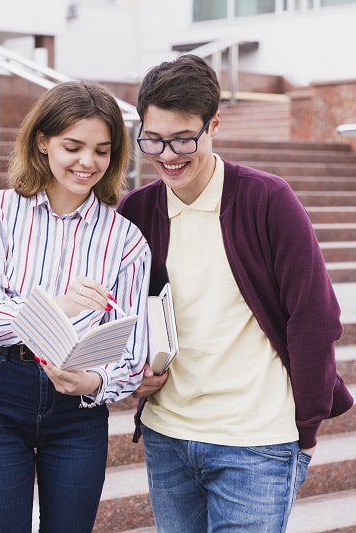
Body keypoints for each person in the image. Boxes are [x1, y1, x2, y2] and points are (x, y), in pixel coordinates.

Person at [117, 54, 354, 532]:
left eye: (184, 138)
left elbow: (314, 317)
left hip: (256, 441)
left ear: (214, 124)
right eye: (153, 139)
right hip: (168, 437)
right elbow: (122, 314)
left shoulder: (267, 200)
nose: (167, 155)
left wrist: (305, 430)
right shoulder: (137, 211)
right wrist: (129, 370)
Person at [0, 80, 152, 532]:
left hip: (79, 409)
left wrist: (92, 381)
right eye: (73, 146)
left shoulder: (126, 240)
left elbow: (132, 348)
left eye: (102, 151)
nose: (88, 162)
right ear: (43, 142)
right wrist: (58, 308)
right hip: (0, 388)